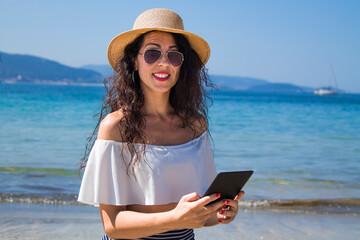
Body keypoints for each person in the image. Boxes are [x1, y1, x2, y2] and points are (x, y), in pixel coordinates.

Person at [78, 8, 244, 240]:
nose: (164, 63)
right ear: (134, 61)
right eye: (152, 53)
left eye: (174, 55)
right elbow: (112, 225)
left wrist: (221, 213)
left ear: (181, 66)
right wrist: (174, 218)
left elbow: (201, 216)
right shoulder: (116, 126)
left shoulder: (196, 125)